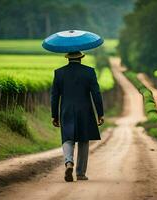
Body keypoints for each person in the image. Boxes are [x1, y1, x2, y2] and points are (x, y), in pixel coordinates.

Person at [51, 51, 104, 182]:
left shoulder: (59, 73)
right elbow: (96, 94)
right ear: (81, 58)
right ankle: (80, 173)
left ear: (68, 58)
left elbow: (54, 96)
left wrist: (54, 115)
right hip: (85, 110)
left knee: (67, 138)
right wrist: (100, 113)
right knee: (83, 140)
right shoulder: (89, 72)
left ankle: (69, 162)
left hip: (66, 110)